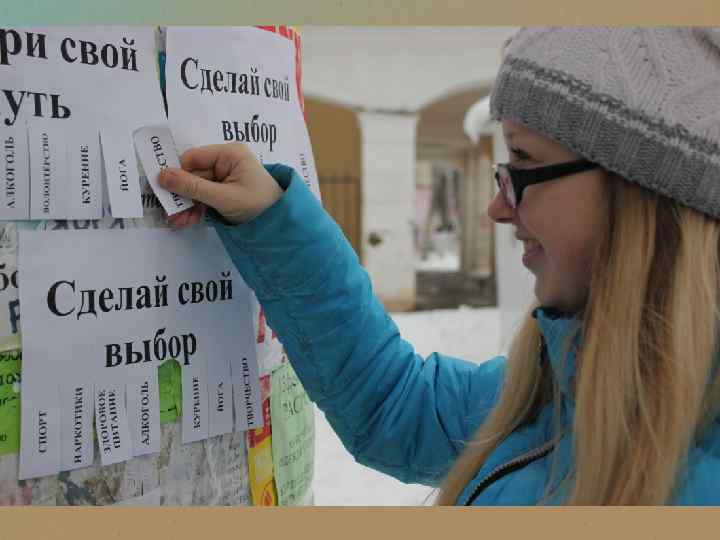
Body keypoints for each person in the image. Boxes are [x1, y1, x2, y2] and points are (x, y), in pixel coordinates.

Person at [158, 27, 720, 505]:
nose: (497, 207)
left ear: (640, 190)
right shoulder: (563, 387)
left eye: (523, 163)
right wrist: (272, 219)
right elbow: (397, 405)